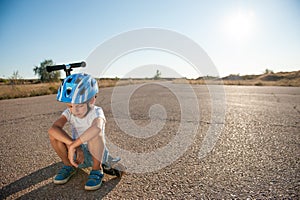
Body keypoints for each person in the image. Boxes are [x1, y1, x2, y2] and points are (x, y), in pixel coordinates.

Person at [48, 73, 107, 191]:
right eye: (70, 106)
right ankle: (69, 166)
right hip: (76, 154)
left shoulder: (97, 112)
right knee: (55, 136)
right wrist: (73, 145)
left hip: (96, 153)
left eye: (79, 105)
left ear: (92, 99)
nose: (74, 110)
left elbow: (97, 128)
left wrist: (74, 145)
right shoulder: (69, 112)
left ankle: (97, 169)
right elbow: (53, 129)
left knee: (94, 134)